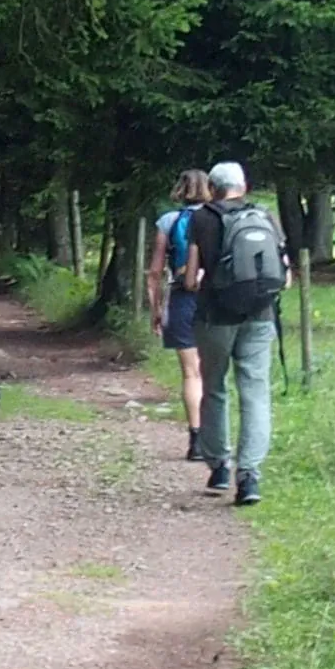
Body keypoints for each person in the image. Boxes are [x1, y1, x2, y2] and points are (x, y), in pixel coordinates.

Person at [183, 161, 289, 506]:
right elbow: (285, 277)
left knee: (213, 387)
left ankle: (219, 467)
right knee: (255, 391)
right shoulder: (265, 215)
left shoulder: (201, 218)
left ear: (212, 188)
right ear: (243, 186)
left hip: (215, 317)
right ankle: (250, 476)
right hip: (260, 315)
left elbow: (190, 278)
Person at [148, 169, 215, 460]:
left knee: (191, 373)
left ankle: (196, 440)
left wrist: (156, 309)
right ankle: (218, 437)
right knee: (215, 370)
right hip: (216, 297)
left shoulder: (168, 220)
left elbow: (154, 271)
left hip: (182, 298)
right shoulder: (219, 217)